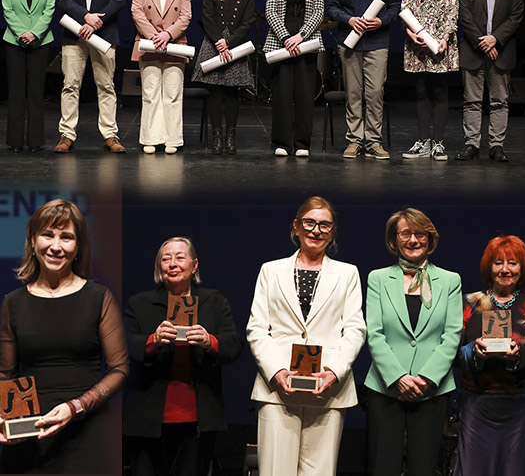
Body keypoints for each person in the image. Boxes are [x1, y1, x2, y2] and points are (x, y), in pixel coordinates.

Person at [0, 197, 128, 474]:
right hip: (30, 431)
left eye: (66, 237)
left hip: (88, 432)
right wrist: (5, 418)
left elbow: (119, 369)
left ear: (78, 246)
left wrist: (76, 407)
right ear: (33, 240)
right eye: (48, 235)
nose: (56, 246)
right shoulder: (13, 303)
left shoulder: (99, 297)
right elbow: (6, 374)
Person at [246, 196, 366, 476]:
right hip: (278, 389)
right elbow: (257, 328)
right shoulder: (270, 270)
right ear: (296, 226)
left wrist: (333, 372)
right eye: (310, 223)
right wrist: (277, 371)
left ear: (332, 232)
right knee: (276, 471)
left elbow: (355, 328)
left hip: (328, 390)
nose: (316, 230)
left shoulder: (347, 274)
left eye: (325, 225)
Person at [123, 236, 243, 476]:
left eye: (180, 257)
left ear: (194, 265)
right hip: (147, 418)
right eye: (165, 259)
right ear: (159, 267)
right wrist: (153, 341)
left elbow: (234, 345)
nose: (172, 264)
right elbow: (124, 345)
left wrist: (210, 341)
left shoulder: (214, 302)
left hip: (198, 417)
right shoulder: (139, 303)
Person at [365, 208, 462, 476]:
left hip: (432, 388)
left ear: (430, 239)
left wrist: (427, 378)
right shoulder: (378, 278)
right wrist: (398, 377)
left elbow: (452, 333)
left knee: (424, 467)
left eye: (420, 234)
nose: (413, 240)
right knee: (383, 466)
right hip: (386, 387)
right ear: (394, 240)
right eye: (406, 233)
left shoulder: (450, 280)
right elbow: (374, 332)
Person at [455, 235, 525, 476]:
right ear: (488, 268)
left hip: (521, 406)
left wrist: (520, 353)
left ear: (522, 268)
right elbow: (452, 355)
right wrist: (475, 351)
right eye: (498, 263)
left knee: (517, 470)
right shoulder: (469, 303)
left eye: (512, 263)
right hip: (477, 404)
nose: (505, 269)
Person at [326, 0, 399, 160]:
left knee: (375, 93)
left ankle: (374, 142)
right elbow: (331, 8)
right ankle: (355, 141)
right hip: (349, 44)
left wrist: (381, 20)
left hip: (377, 43)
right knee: (353, 94)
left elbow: (395, 7)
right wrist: (349, 19)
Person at [55, 0, 126, 153]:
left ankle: (110, 135)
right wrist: (86, 16)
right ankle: (66, 135)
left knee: (106, 86)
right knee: (70, 86)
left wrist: (97, 21)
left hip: (104, 34)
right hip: (74, 33)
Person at [456, 0, 524, 163]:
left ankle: (496, 146)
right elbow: (464, 17)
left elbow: (516, 17)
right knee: (472, 101)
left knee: (499, 102)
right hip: (473, 52)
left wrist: (495, 39)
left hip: (501, 52)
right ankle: (472, 145)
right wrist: (483, 43)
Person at [401, 0, 459, 163]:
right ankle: (423, 142)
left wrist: (445, 37)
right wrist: (409, 33)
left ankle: (438, 143)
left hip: (442, 43)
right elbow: (405, 10)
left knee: (439, 90)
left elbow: (453, 10)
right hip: (418, 44)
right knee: (422, 90)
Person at [264, 0, 324, 157]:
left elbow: (319, 11)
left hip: (306, 42)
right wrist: (286, 37)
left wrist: (300, 36)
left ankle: (301, 144)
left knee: (305, 95)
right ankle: (281, 143)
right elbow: (269, 10)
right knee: (281, 95)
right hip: (281, 43)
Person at [191, 0, 255, 155]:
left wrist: (229, 41)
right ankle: (217, 136)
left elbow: (247, 24)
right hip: (213, 45)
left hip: (235, 47)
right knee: (215, 93)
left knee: (232, 93)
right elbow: (207, 17)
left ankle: (231, 136)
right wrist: (219, 41)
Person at [131, 0, 192, 155]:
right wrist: (153, 36)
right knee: (150, 93)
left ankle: (172, 139)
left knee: (173, 94)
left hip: (174, 45)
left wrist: (167, 35)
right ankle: (151, 138)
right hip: (149, 44)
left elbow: (185, 17)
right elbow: (137, 12)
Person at [2, 0, 55, 152]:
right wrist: (21, 33)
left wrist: (34, 33)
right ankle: (15, 141)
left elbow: (49, 9)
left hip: (40, 42)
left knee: (36, 92)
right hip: (14, 42)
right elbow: (7, 9)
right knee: (15, 92)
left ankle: (35, 141)